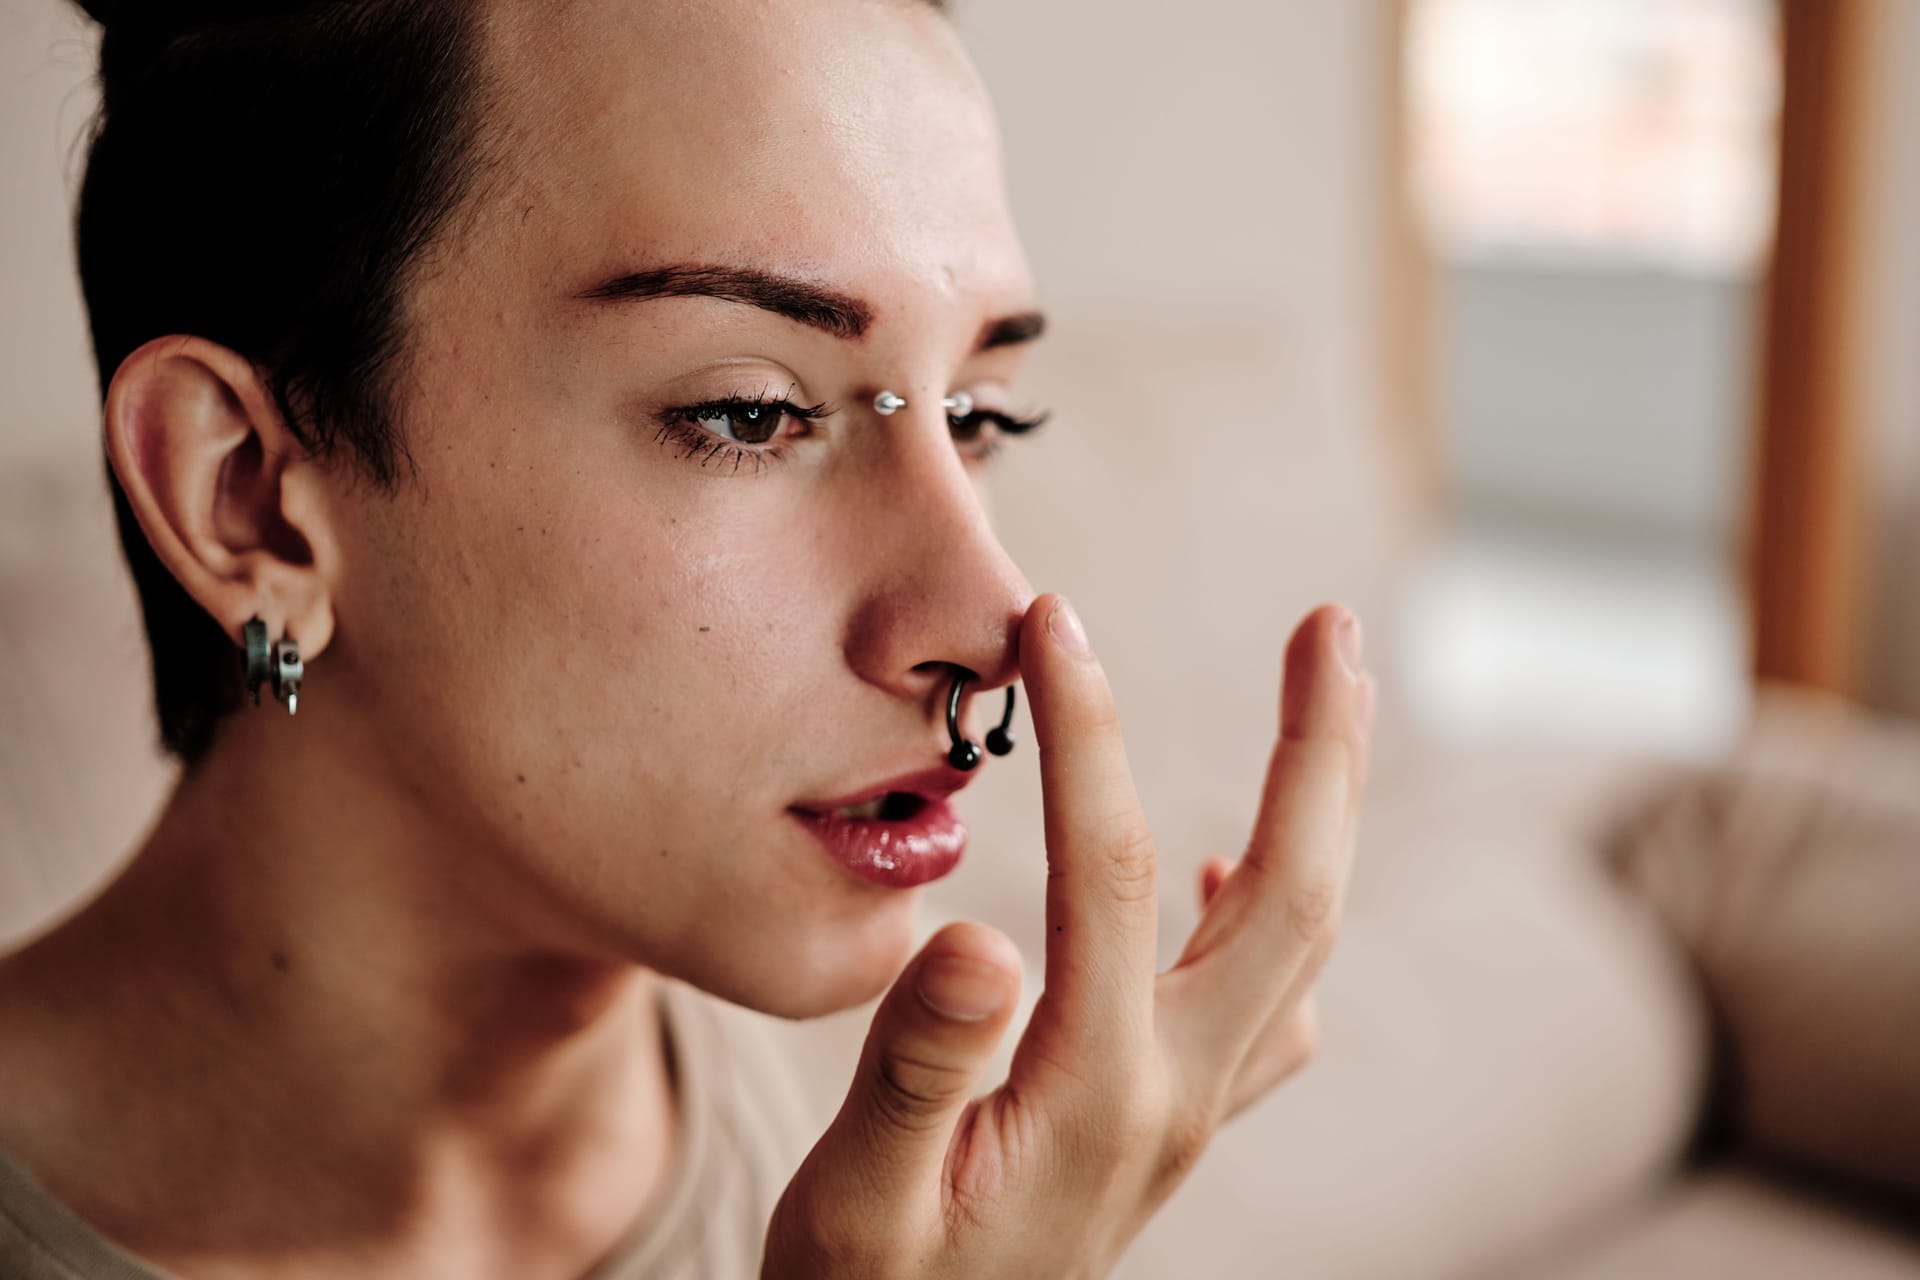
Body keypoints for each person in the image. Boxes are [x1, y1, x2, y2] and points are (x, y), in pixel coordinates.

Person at [0, 0, 1375, 1275]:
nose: (987, 626)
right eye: (749, 412)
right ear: (247, 498)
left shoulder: (938, 1155)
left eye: (977, 415)